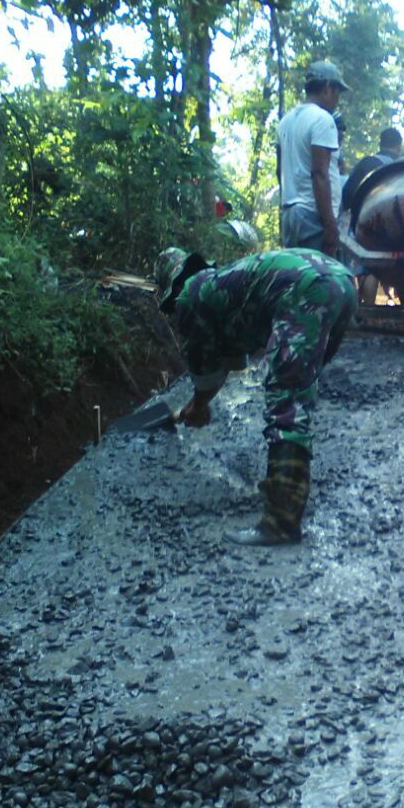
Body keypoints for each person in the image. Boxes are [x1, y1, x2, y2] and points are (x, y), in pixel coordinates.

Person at [154, 245, 356, 547]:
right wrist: (200, 403)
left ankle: (281, 523)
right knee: (299, 389)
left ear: (171, 285)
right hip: (342, 281)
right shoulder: (221, 282)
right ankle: (294, 485)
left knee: (286, 399)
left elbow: (208, 370)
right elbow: (230, 360)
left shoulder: (189, 299)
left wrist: (197, 406)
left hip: (306, 289)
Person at [276, 60, 349, 256]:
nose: (337, 100)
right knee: (324, 281)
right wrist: (330, 224)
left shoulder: (285, 121)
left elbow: (279, 172)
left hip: (291, 214)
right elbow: (319, 174)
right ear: (327, 88)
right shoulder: (322, 119)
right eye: (337, 92)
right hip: (313, 215)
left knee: (298, 278)